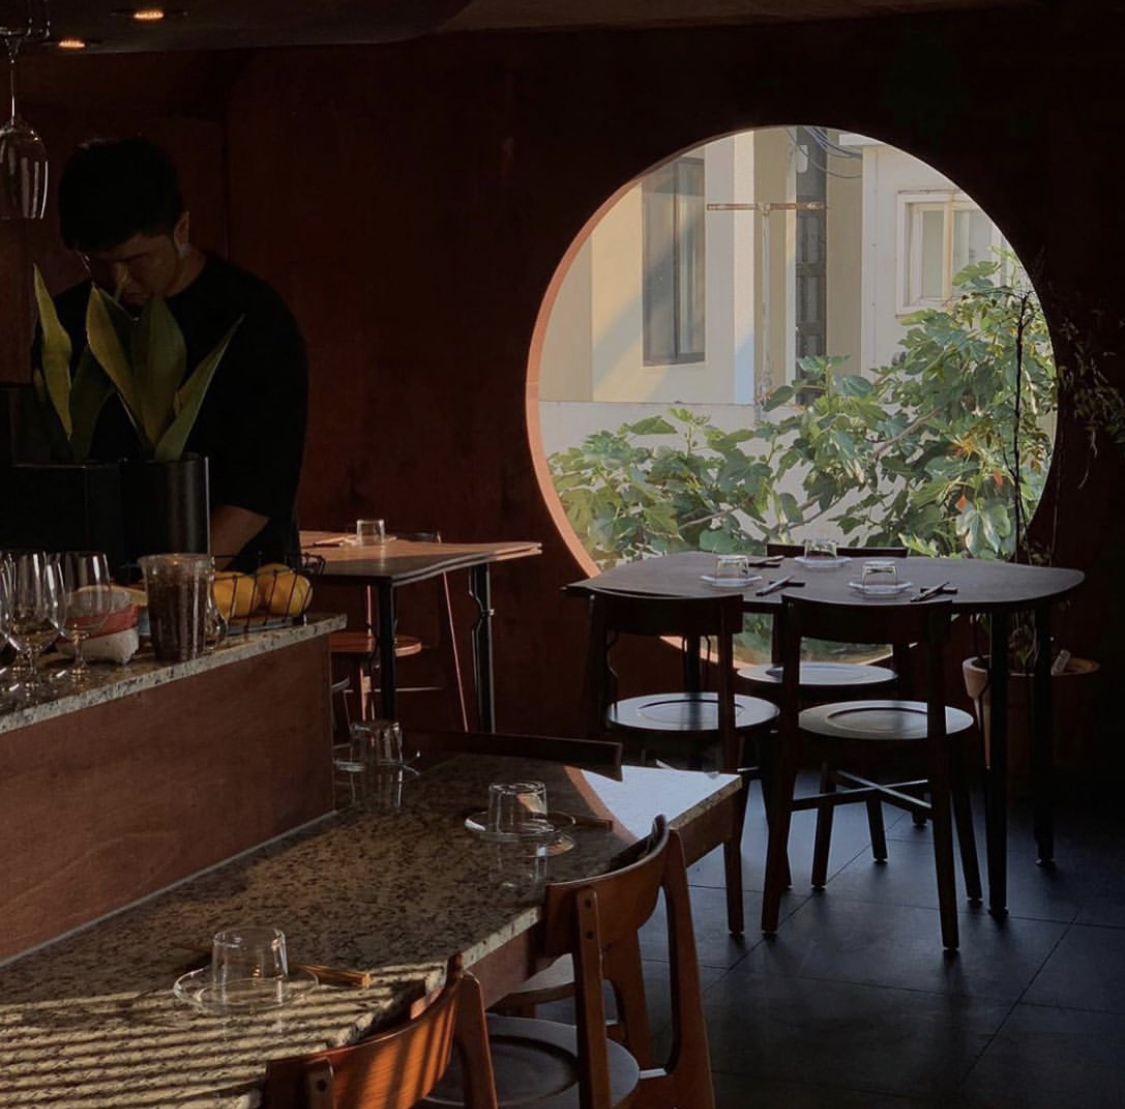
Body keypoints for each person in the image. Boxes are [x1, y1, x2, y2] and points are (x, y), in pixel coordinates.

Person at [52, 136, 308, 573]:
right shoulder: (67, 324)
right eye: (98, 263)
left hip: (242, 585)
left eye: (137, 260)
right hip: (102, 589)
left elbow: (259, 490)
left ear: (182, 229)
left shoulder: (254, 319)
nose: (119, 280)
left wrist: (170, 583)